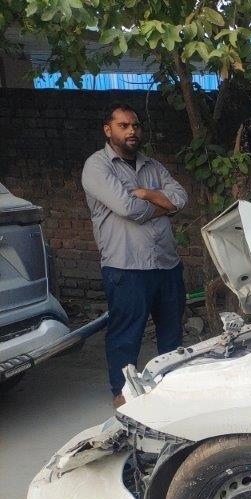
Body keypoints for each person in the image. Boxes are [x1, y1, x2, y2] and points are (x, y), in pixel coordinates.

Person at [81, 103, 189, 407]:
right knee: (126, 334)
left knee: (171, 334)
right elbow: (128, 208)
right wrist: (162, 207)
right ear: (108, 129)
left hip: (166, 264)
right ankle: (123, 393)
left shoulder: (152, 166)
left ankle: (170, 386)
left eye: (135, 126)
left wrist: (150, 194)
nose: (131, 131)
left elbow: (181, 198)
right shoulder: (97, 166)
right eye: (124, 125)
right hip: (126, 266)